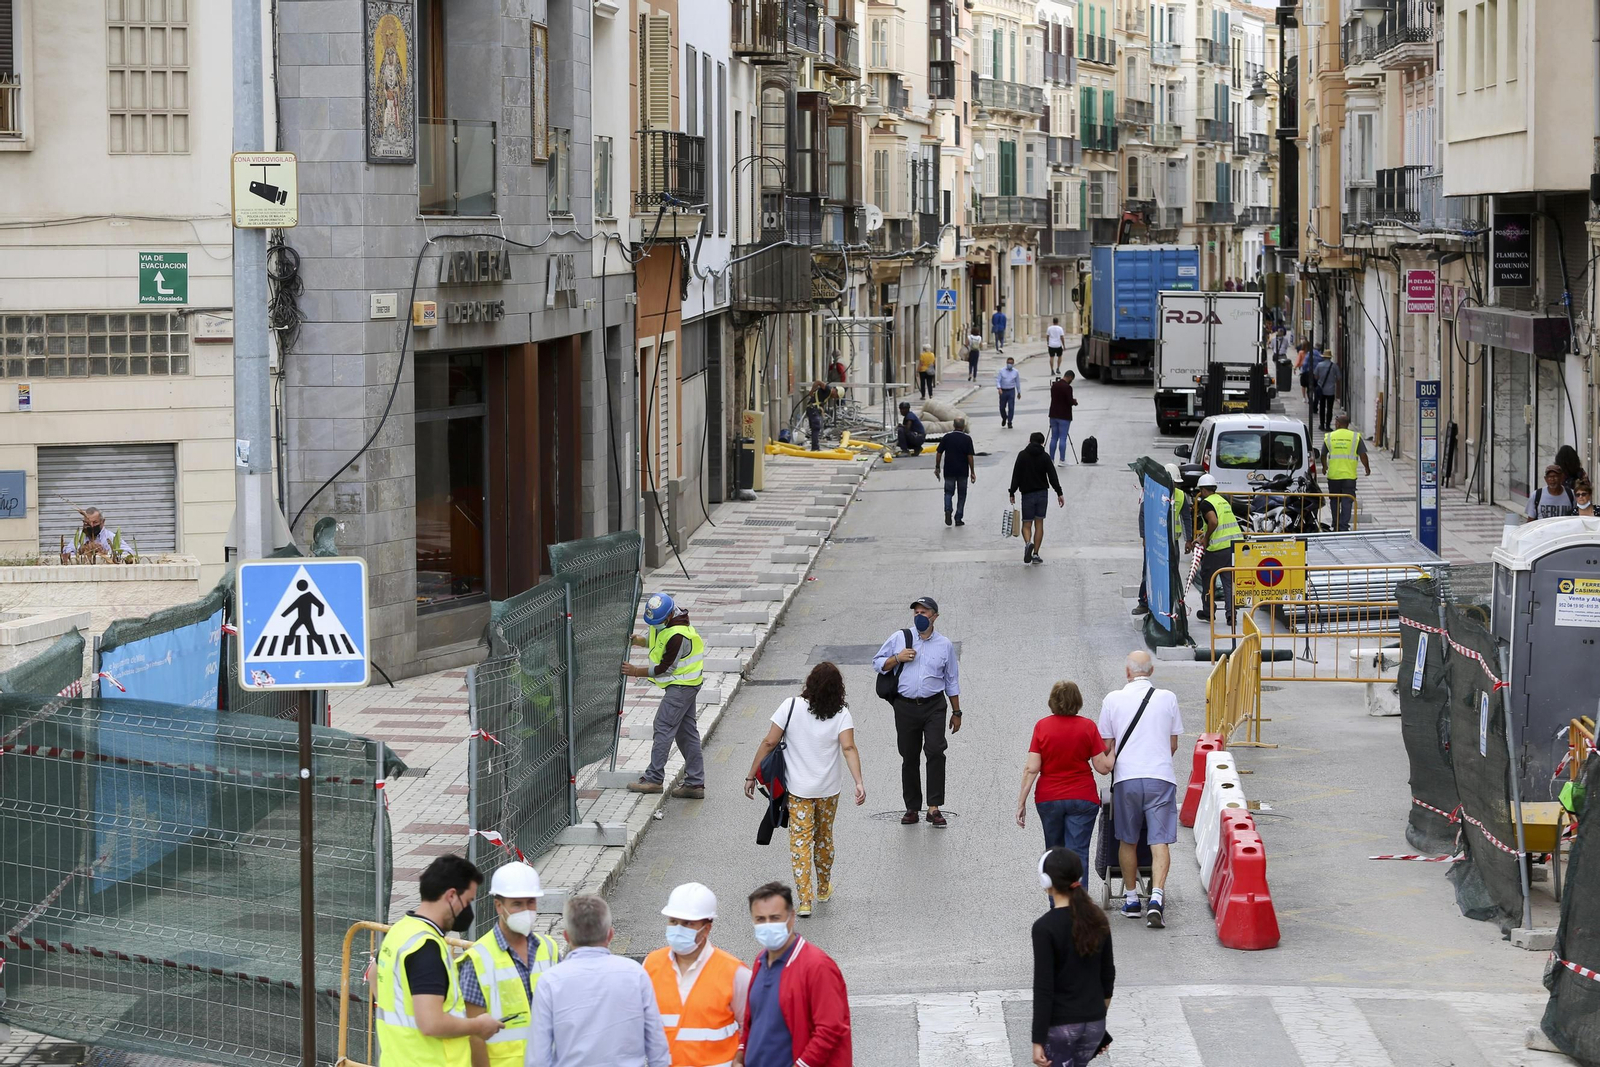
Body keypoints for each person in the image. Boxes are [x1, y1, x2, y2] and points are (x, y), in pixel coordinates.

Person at [743, 663, 866, 915]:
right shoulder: (842, 713)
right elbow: (848, 748)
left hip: (798, 791)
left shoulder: (790, 706)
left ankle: (805, 901)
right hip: (828, 790)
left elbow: (769, 742)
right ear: (838, 689)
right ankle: (823, 888)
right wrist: (858, 782)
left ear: (809, 683)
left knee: (800, 842)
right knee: (824, 838)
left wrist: (751, 775)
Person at [374, 855, 503, 1067]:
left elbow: (373, 975)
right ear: (451, 896)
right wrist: (478, 1026)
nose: (468, 910)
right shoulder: (427, 948)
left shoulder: (400, 931)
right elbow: (431, 1023)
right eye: (468, 901)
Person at [528, 895, 670, 1067]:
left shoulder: (550, 982)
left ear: (566, 936)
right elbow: (657, 1046)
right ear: (610, 934)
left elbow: (538, 1058)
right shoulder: (635, 974)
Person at [1097, 651, 1184, 929]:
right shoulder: (1168, 698)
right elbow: (1172, 745)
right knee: (1159, 841)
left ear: (1127, 672)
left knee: (1128, 840)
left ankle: (1132, 900)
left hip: (1127, 779)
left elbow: (1105, 747)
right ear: (1152, 671)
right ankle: (1156, 898)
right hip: (1161, 778)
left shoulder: (1112, 700)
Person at [460, 862, 561, 1067]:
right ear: (499, 906)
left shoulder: (549, 949)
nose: (526, 910)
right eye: (517, 904)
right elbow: (475, 1037)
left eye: (531, 902)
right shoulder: (477, 960)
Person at [873, 596, 963, 827]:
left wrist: (957, 712)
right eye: (916, 613)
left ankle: (934, 807)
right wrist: (897, 658)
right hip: (905, 706)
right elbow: (877, 663)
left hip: (934, 706)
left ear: (935, 616)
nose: (919, 616)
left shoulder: (944, 645)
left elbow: (951, 680)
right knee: (909, 756)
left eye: (924, 612)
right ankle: (912, 807)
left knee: (935, 751)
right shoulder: (900, 638)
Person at [741, 883, 852, 1067]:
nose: (767, 925)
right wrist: (741, 1052)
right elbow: (753, 1018)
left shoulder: (818, 966)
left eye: (775, 918)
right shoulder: (761, 961)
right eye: (760, 919)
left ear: (791, 917)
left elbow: (830, 1028)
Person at [643, 883, 751, 1067]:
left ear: (706, 929)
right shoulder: (651, 964)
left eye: (688, 923)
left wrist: (741, 1059)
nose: (678, 928)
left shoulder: (734, 972)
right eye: (673, 922)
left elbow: (752, 1026)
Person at [1031, 849, 1114, 1067]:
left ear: (1046, 881)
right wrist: (1098, 1017)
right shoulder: (1098, 918)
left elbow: (1044, 988)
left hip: (1062, 1026)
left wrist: (1038, 1039)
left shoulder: (1044, 928)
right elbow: (1107, 976)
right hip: (1094, 1024)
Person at [623, 593, 707, 799]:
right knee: (686, 733)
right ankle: (695, 783)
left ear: (669, 616)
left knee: (663, 726)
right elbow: (656, 639)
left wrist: (635, 671)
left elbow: (664, 668)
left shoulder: (678, 635)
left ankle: (654, 779)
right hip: (687, 684)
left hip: (682, 686)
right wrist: (640, 641)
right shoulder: (666, 621)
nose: (655, 625)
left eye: (658, 622)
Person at [1016, 682, 1103, 876]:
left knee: (1054, 852)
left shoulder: (1042, 726)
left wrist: (1021, 802)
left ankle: (1057, 894)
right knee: (1078, 853)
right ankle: (1077, 894)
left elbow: (1031, 768)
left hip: (1049, 798)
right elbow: (1102, 767)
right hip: (1083, 797)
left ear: (1052, 701)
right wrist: (1113, 751)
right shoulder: (1088, 726)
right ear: (1078, 701)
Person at [1133, 465, 1189, 620]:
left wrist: (1188, 539)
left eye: (1176, 484)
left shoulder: (1181, 496)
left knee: (1172, 572)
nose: (1175, 486)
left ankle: (1168, 604)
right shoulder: (1153, 493)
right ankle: (1144, 602)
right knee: (1149, 571)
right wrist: (1144, 537)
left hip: (1172, 542)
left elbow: (1186, 518)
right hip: (1154, 542)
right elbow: (1143, 515)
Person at [1189, 473, 1241, 625]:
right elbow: (1221, 524)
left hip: (1219, 548)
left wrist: (1206, 539)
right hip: (1234, 546)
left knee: (1207, 577)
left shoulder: (1206, 503)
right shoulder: (1222, 500)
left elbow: (1213, 522)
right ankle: (1231, 616)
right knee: (1228, 581)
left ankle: (1208, 612)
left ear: (1203, 490)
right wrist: (1202, 536)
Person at [1009, 431, 1065, 564]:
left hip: (1027, 494)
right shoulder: (1045, 456)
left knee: (1026, 524)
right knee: (1039, 524)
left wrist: (1012, 492)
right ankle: (1035, 554)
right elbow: (1052, 476)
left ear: (1029, 441)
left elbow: (1016, 475)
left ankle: (1028, 543)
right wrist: (1059, 493)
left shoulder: (1022, 455)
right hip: (1042, 494)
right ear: (1042, 443)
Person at [1321, 414, 1371, 532]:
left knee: (1334, 501)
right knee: (1347, 501)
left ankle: (1336, 525)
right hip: (1349, 476)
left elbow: (1323, 454)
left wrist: (1324, 467)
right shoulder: (1355, 437)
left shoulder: (1330, 436)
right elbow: (1363, 455)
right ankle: (1344, 526)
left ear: (1338, 423)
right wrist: (1367, 468)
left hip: (1334, 476)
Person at [934, 416, 977, 526]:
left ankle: (948, 510)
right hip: (962, 471)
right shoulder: (967, 439)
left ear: (953, 425)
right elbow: (970, 457)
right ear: (963, 426)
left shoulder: (947, 438)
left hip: (949, 470)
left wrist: (937, 467)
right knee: (962, 494)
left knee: (948, 492)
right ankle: (958, 518)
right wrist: (972, 471)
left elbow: (939, 453)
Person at [1047, 371, 1078, 464]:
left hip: (1053, 415)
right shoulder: (1067, 387)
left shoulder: (1054, 386)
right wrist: (1074, 402)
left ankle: (1051, 459)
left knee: (1053, 438)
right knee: (1063, 438)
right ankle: (1062, 460)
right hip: (1064, 415)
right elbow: (1069, 401)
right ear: (1070, 377)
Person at [1312, 352, 1341, 432]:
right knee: (1329, 408)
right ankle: (1328, 425)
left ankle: (1322, 425)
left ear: (1324, 357)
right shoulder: (1334, 366)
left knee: (1322, 407)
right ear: (1330, 357)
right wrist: (1333, 380)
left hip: (1321, 390)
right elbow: (1339, 377)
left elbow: (1315, 376)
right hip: (1331, 390)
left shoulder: (1319, 365)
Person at [803, 381, 831, 453]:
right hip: (813, 410)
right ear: (836, 392)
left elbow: (819, 402)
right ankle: (815, 448)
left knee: (814, 429)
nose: (834, 397)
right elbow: (818, 382)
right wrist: (811, 391)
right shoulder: (828, 390)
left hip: (812, 409)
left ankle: (814, 447)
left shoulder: (826, 394)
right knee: (816, 427)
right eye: (836, 396)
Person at [996, 356, 1022, 429]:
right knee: (1002, 407)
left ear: (1013, 364)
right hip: (1003, 391)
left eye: (1011, 363)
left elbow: (1017, 382)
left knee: (1011, 407)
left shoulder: (1015, 372)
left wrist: (1019, 392)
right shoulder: (1001, 371)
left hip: (1011, 391)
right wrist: (999, 388)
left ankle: (1010, 421)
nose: (1009, 364)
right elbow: (998, 380)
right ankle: (1004, 417)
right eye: (1008, 363)